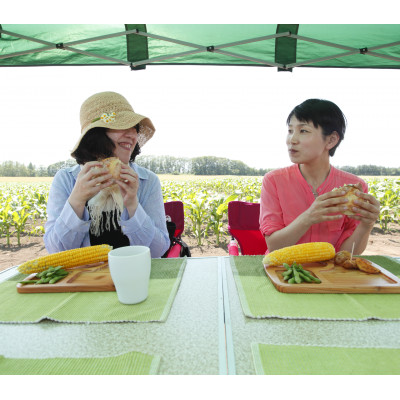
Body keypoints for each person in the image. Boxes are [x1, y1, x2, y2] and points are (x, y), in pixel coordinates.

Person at [44, 91, 170, 258]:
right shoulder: (66, 180)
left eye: (134, 128)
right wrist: (77, 200)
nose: (132, 135)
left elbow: (158, 251)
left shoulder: (147, 181)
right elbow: (56, 251)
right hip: (85, 281)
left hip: (135, 277)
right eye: (122, 126)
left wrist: (133, 204)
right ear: (96, 134)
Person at [259, 98, 380, 255]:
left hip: (331, 274)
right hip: (284, 273)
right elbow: (275, 247)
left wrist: (367, 224)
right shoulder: (273, 181)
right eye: (290, 131)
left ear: (331, 140)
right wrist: (309, 216)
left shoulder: (355, 186)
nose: (292, 140)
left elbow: (347, 254)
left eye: (303, 131)